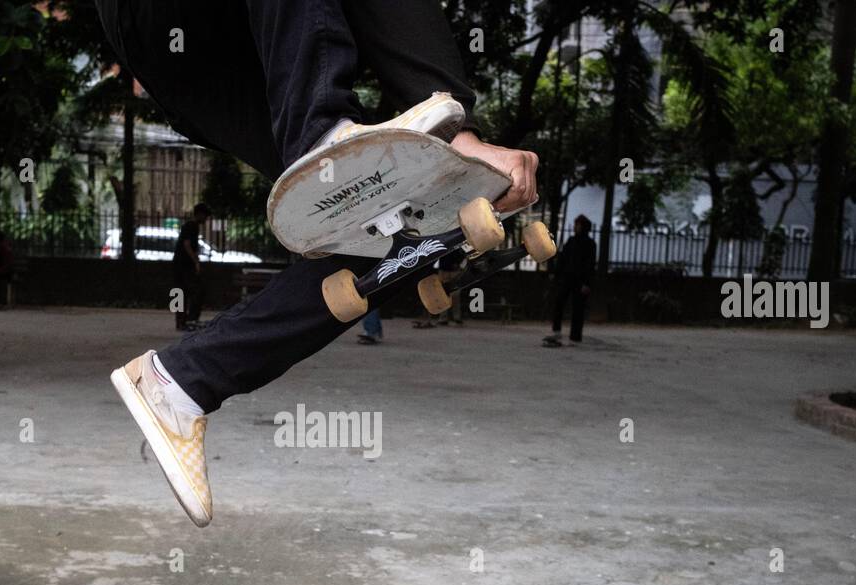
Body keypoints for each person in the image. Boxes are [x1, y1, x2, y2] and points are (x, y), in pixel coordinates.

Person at [101, 0, 539, 527]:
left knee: (375, 219)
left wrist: (457, 147)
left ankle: (180, 384)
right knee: (350, 173)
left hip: (229, 62)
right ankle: (321, 133)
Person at [544, 214, 596, 347]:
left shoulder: (590, 244)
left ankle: (575, 337)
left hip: (580, 280)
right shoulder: (571, 241)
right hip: (568, 278)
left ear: (583, 227)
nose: (575, 227)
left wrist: (587, 283)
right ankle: (557, 331)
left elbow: (590, 265)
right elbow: (563, 259)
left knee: (578, 309)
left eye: (577, 225)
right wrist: (556, 274)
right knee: (559, 303)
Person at [172, 203, 209, 331]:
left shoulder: (189, 226)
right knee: (197, 291)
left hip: (179, 264)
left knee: (180, 292)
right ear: (199, 214)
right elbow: (187, 244)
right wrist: (196, 262)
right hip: (184, 265)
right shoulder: (192, 226)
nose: (206, 219)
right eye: (205, 216)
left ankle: (181, 321)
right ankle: (190, 319)